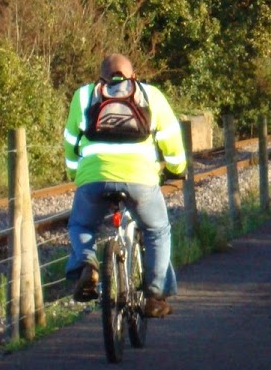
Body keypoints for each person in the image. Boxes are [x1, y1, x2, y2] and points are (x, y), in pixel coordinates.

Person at [62, 53, 187, 317]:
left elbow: (70, 141)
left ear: (101, 78)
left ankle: (88, 262)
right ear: (133, 76)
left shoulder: (84, 95)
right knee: (157, 230)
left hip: (93, 178)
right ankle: (155, 296)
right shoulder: (150, 94)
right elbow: (171, 138)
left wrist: (77, 174)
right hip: (140, 179)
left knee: (81, 225)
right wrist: (177, 169)